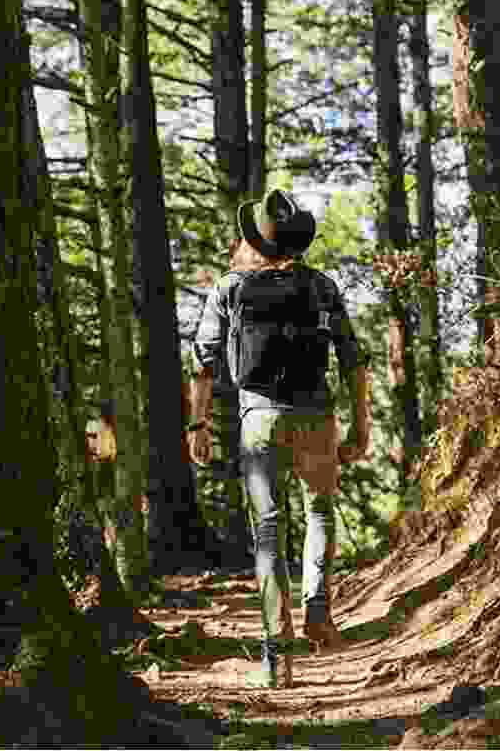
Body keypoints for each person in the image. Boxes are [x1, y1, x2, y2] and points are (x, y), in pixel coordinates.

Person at [192, 189, 370, 687]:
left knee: (268, 532)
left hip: (259, 421)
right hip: (317, 415)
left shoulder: (230, 288)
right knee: (319, 512)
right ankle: (319, 612)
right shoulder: (323, 287)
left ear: (256, 240)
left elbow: (203, 363)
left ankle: (277, 660)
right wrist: (362, 423)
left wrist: (198, 424)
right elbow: (353, 359)